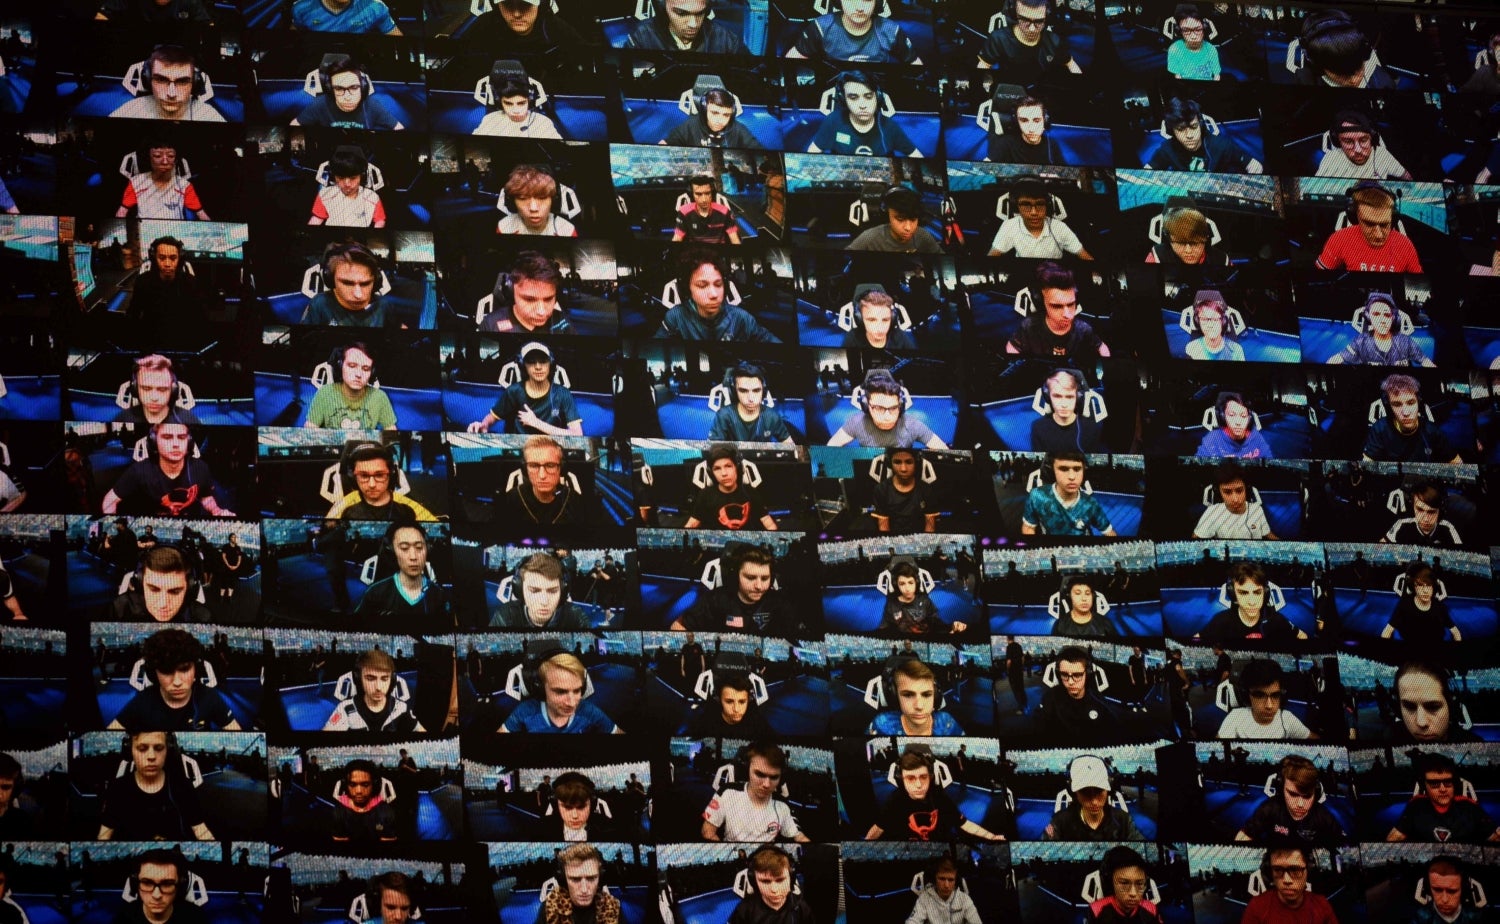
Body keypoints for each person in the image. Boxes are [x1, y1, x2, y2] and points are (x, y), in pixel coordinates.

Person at [865, 749, 1004, 841]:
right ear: (901, 780)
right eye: (911, 778)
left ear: (930, 777)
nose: (919, 785)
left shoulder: (938, 795)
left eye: (923, 777)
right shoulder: (895, 800)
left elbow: (963, 823)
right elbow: (878, 828)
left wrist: (992, 837)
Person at [98, 733, 214, 841]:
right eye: (142, 749)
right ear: (130, 751)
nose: (151, 756)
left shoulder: (183, 785)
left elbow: (200, 829)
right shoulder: (118, 788)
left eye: (159, 748)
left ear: (168, 750)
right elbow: (105, 834)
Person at [102, 423, 234, 518]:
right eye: (167, 437)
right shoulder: (139, 471)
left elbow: (206, 497)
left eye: (181, 437)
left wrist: (217, 511)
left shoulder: (201, 467)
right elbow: (110, 500)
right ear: (154, 442)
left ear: (189, 443)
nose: (176, 444)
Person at [700, 742, 811, 843]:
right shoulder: (727, 793)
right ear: (747, 770)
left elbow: (799, 836)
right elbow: (708, 832)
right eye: (760, 774)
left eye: (774, 777)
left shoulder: (782, 805)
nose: (767, 784)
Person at [657, 250, 778, 341]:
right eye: (702, 285)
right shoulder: (675, 317)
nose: (714, 294)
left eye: (718, 284)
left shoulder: (742, 318)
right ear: (688, 289)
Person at [672, 545, 795, 635]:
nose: (759, 586)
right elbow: (677, 626)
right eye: (750, 578)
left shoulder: (780, 603)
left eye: (765, 578)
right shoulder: (715, 600)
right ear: (736, 576)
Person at [466, 342, 582, 436]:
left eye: (543, 361)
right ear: (523, 366)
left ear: (550, 364)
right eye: (531, 362)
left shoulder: (562, 394)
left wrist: (536, 423)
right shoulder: (514, 391)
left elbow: (577, 434)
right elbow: (492, 418)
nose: (538, 367)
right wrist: (483, 425)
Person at [354, 524, 452, 633]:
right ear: (392, 552)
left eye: (419, 547)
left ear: (427, 550)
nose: (413, 557)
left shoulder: (439, 596)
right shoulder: (375, 593)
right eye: (404, 548)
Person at [500, 650, 623, 733]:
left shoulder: (588, 711)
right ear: (541, 689)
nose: (572, 703)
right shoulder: (525, 711)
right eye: (560, 692)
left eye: (577, 690)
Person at [1006, 261, 1109, 359]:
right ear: (1043, 303)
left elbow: (1102, 348)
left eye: (1071, 304)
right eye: (1056, 306)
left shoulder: (1084, 329)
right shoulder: (1028, 327)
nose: (1068, 315)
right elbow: (1011, 348)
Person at [1234, 755, 1346, 845]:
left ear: (1315, 792)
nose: (1301, 804)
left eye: (1307, 796)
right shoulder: (1269, 808)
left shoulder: (1324, 817)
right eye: (1293, 794)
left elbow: (1344, 845)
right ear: (1281, 788)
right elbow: (1245, 835)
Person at [808, 70, 920, 157]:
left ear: (878, 97)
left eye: (868, 97)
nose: (862, 105)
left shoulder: (889, 126)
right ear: (843, 100)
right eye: (853, 97)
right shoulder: (833, 121)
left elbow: (916, 155)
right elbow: (811, 155)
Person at [1316, 183, 1422, 274]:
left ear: (1393, 219)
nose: (1378, 235)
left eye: (1384, 225)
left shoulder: (1406, 246)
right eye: (1369, 224)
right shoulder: (1339, 240)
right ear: (1355, 217)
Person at [829, 368, 948, 449]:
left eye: (893, 408)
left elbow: (944, 450)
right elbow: (830, 448)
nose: (887, 417)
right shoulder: (856, 422)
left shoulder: (912, 424)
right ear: (866, 406)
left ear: (901, 406)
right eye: (878, 408)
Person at [109, 46, 226, 122]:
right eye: (161, 80)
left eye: (182, 82)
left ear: (195, 83)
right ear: (148, 80)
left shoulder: (208, 115)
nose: (171, 94)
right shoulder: (130, 111)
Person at [326, 443, 439, 522]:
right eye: (364, 475)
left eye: (379, 475)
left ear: (392, 474)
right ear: (353, 477)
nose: (372, 484)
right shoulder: (343, 506)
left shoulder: (408, 506)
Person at [500, 435, 596, 527]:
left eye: (550, 465)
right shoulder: (512, 499)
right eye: (534, 465)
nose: (542, 475)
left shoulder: (574, 500)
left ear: (561, 469)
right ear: (525, 469)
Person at [1362, 375, 1461, 464]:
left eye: (1410, 403)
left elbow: (1458, 465)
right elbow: (1365, 466)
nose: (1405, 412)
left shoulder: (1432, 430)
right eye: (1397, 404)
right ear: (1389, 407)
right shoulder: (1380, 429)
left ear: (1418, 403)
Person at [1147, 97, 1262, 174]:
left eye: (1193, 127)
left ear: (1201, 125)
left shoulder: (1222, 145)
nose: (1189, 135)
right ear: (1171, 131)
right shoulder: (1167, 149)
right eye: (1181, 129)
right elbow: (1146, 172)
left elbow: (1254, 165)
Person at [786, 0, 921, 64]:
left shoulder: (890, 30)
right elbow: (790, 62)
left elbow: (916, 65)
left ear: (877, 3)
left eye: (867, 0)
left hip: (876, 91)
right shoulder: (822, 26)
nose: (859, 7)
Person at [1198, 563, 1306, 644]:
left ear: (1265, 593)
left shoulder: (1276, 619)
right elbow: (1197, 638)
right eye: (1243, 593)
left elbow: (1302, 635)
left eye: (1257, 592)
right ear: (1233, 595)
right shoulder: (1221, 621)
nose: (1252, 602)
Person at [324, 647, 426, 732]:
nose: (378, 687)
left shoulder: (401, 708)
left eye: (384, 679)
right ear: (358, 680)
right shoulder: (346, 709)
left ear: (392, 680)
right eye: (370, 678)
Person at [1042, 754, 1143, 840]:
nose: (1094, 801)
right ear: (1073, 792)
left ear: (1109, 789)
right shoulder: (1059, 822)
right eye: (1085, 793)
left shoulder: (1123, 820)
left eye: (1099, 791)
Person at [1035, 646, 1123, 744]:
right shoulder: (1049, 699)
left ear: (1088, 674)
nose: (1070, 682)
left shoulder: (1098, 701)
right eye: (1064, 675)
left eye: (1077, 675)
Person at [987, 177, 1092, 260]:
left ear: (1048, 205)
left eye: (1040, 204)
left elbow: (1083, 255)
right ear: (1016, 207)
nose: (1034, 212)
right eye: (1026, 205)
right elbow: (992, 256)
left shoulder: (1060, 227)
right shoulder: (1009, 226)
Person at [300, 241, 399, 327]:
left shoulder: (384, 305)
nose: (358, 295)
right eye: (347, 283)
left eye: (365, 284)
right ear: (330, 280)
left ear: (376, 281)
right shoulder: (319, 304)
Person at [683, 444, 778, 531]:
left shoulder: (750, 492)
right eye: (717, 469)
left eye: (728, 466)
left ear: (737, 468)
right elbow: (693, 522)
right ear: (711, 473)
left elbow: (767, 521)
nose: (724, 473)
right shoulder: (705, 495)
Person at [291, 56, 404, 130]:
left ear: (363, 88)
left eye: (354, 87)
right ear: (331, 90)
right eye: (339, 89)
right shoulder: (320, 104)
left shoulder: (372, 105)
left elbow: (399, 128)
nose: (347, 97)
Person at [1021, 450, 1116, 536]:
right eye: (1063, 469)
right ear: (1052, 470)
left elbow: (1109, 532)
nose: (1071, 477)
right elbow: (1028, 527)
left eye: (1077, 469)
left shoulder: (1090, 504)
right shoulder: (1037, 496)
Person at [305, 342, 398, 430]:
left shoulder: (380, 397)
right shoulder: (325, 393)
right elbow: (308, 432)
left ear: (372, 373)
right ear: (340, 366)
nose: (358, 374)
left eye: (365, 369)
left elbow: (391, 434)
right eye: (352, 366)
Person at [127, 236, 203, 343]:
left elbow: (198, 319)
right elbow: (133, 315)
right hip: (151, 339)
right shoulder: (143, 281)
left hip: (182, 339)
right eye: (162, 258)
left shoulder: (190, 283)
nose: (167, 264)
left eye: (173, 258)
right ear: (154, 259)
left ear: (179, 259)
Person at [1294, 9, 1395, 89]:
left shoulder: (1382, 81)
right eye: (1341, 74)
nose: (1354, 81)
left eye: (1358, 68)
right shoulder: (1304, 82)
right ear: (1316, 65)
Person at [976, 0, 1080, 77]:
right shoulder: (998, 39)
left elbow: (1070, 63)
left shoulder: (1054, 41)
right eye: (1024, 20)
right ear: (1014, 14)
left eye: (1039, 22)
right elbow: (983, 65)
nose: (1031, 28)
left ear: (1047, 18)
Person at [1215, 659, 1315, 740]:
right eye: (1259, 695)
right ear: (1246, 695)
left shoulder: (1287, 718)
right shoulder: (1235, 717)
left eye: (1275, 695)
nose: (1269, 705)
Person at [107, 546, 211, 623]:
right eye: (154, 589)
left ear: (190, 588)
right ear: (139, 584)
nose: (163, 604)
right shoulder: (121, 608)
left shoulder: (202, 617)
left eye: (175, 592)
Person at [480, 251, 574, 334]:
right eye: (529, 300)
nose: (541, 312)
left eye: (548, 299)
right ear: (512, 291)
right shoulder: (491, 324)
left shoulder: (562, 321)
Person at [491, 552, 590, 629]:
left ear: (563, 592)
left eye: (552, 591)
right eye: (534, 591)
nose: (544, 602)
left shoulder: (576, 617)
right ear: (520, 590)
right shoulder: (505, 616)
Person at [1328, 293, 1432, 366]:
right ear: (1369, 317)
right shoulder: (1360, 342)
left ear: (1393, 318)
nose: (1382, 320)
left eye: (1386, 315)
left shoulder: (1405, 342)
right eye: (1376, 314)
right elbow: (1336, 359)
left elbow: (1425, 361)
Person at [116, 139, 209, 221]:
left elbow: (201, 214)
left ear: (176, 159)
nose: (165, 161)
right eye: (157, 156)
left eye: (170, 156)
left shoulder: (185, 185)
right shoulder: (136, 182)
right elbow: (122, 212)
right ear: (149, 158)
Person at [1241, 846, 1337, 924]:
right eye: (1278, 870)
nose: (1286, 880)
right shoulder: (1257, 907)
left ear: (1308, 870)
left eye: (1295, 870)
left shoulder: (1322, 905)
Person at [1390, 660, 1480, 744]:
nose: (1421, 722)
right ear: (1399, 709)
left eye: (1433, 707)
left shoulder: (1474, 746)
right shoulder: (1390, 742)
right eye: (1410, 707)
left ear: (1451, 706)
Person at [868, 658, 964, 735]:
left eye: (927, 695)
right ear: (894, 697)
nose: (919, 706)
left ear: (936, 696)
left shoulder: (947, 722)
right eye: (908, 695)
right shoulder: (882, 724)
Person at [111, 848, 210, 923]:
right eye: (147, 883)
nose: (157, 895)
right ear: (136, 884)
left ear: (180, 886)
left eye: (167, 884)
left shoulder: (195, 918)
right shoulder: (124, 918)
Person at [708, 363, 795, 444]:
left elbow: (791, 448)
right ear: (734, 392)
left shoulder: (771, 416)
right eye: (743, 391)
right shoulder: (724, 415)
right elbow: (712, 450)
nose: (750, 398)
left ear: (764, 391)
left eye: (756, 390)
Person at [727, 846, 816, 924]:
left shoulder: (801, 908)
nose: (774, 890)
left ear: (791, 879)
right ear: (753, 881)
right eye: (765, 881)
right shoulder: (744, 911)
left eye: (780, 880)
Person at [1193, 461, 1279, 540]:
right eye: (1227, 492)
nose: (1235, 499)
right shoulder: (1212, 512)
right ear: (1219, 493)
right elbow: (1195, 539)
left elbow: (1268, 534)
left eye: (1239, 490)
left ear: (1247, 490)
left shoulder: (1257, 510)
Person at [1379, 564, 1460, 648]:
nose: (1425, 591)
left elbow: (1455, 632)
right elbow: (1388, 630)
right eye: (1421, 585)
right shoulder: (1405, 604)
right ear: (1414, 587)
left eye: (1429, 585)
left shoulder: (1439, 607)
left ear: (1433, 587)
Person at [1316, 110, 1411, 180]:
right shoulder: (1331, 160)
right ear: (1338, 142)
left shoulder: (1381, 155)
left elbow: (1408, 177)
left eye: (1363, 140)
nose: (1358, 150)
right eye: (1348, 142)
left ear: (1373, 139)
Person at [540, 843, 621, 924]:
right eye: (575, 879)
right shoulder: (550, 907)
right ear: (563, 880)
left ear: (600, 879)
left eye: (591, 878)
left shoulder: (613, 908)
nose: (584, 889)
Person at [847, 185, 943, 253]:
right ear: (886, 215)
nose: (908, 228)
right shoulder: (869, 237)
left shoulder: (923, 236)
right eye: (900, 219)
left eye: (913, 219)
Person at [462, 0, 586, 53]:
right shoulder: (483, 28)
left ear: (540, 4)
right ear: (497, 6)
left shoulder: (558, 30)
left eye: (525, 6)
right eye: (508, 5)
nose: (516, 14)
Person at [877, 561, 964, 635]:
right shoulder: (891, 605)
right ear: (897, 585)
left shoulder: (925, 601)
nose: (907, 589)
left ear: (916, 582)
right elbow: (885, 630)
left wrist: (952, 626)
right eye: (902, 584)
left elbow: (937, 623)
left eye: (910, 583)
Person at [114, 355, 202, 428]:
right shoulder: (123, 416)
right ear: (135, 389)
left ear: (173, 390)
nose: (154, 398)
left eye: (163, 389)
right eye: (146, 388)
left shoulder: (189, 419)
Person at [626, 0, 747, 53]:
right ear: (663, 6)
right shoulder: (642, 37)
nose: (693, 24)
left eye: (700, 13)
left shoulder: (727, 40)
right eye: (681, 13)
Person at [308, 148, 387, 228]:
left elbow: (380, 220)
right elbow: (318, 218)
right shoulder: (325, 195)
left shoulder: (373, 197)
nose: (347, 184)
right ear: (334, 176)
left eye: (353, 178)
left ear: (362, 176)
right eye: (341, 178)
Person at [1030, 368, 1105, 453]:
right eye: (1057, 396)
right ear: (1047, 396)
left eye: (1069, 397)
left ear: (1078, 397)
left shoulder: (1092, 428)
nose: (1064, 404)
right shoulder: (1038, 427)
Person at [664, 86, 764, 149]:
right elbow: (668, 142)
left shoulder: (738, 129)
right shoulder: (689, 126)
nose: (720, 120)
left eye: (726, 115)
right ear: (704, 110)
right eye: (715, 113)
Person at [872, 448, 941, 534]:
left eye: (909, 462)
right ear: (890, 464)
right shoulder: (881, 490)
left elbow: (930, 527)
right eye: (897, 462)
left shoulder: (926, 489)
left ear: (916, 463)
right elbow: (883, 527)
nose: (903, 469)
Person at [1086, 847, 1161, 924]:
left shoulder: (1151, 910)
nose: (1133, 893)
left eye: (1139, 884)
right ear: (1110, 883)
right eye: (1124, 883)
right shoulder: (1096, 910)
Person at [494, 166, 576, 236]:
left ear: (553, 201)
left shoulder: (567, 230)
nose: (533, 208)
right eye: (522, 198)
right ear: (512, 202)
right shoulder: (504, 227)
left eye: (542, 198)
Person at [686, 673, 775, 737]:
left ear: (749, 700)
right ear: (719, 700)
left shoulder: (758, 724)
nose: (736, 709)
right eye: (729, 701)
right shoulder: (705, 725)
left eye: (742, 702)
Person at [473, 75, 561, 139]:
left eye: (521, 103)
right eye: (508, 103)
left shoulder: (543, 122)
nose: (515, 110)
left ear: (529, 102)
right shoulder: (490, 120)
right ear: (500, 103)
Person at [331, 759, 398, 843]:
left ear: (374, 784)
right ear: (346, 785)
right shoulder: (339, 812)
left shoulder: (386, 812)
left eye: (365, 785)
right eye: (353, 785)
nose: (359, 791)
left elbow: (388, 848)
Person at [987, 95, 1061, 166]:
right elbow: (982, 171)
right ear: (1017, 122)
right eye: (1024, 121)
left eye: (1037, 120)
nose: (1031, 129)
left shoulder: (1051, 144)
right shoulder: (1004, 144)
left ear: (1045, 121)